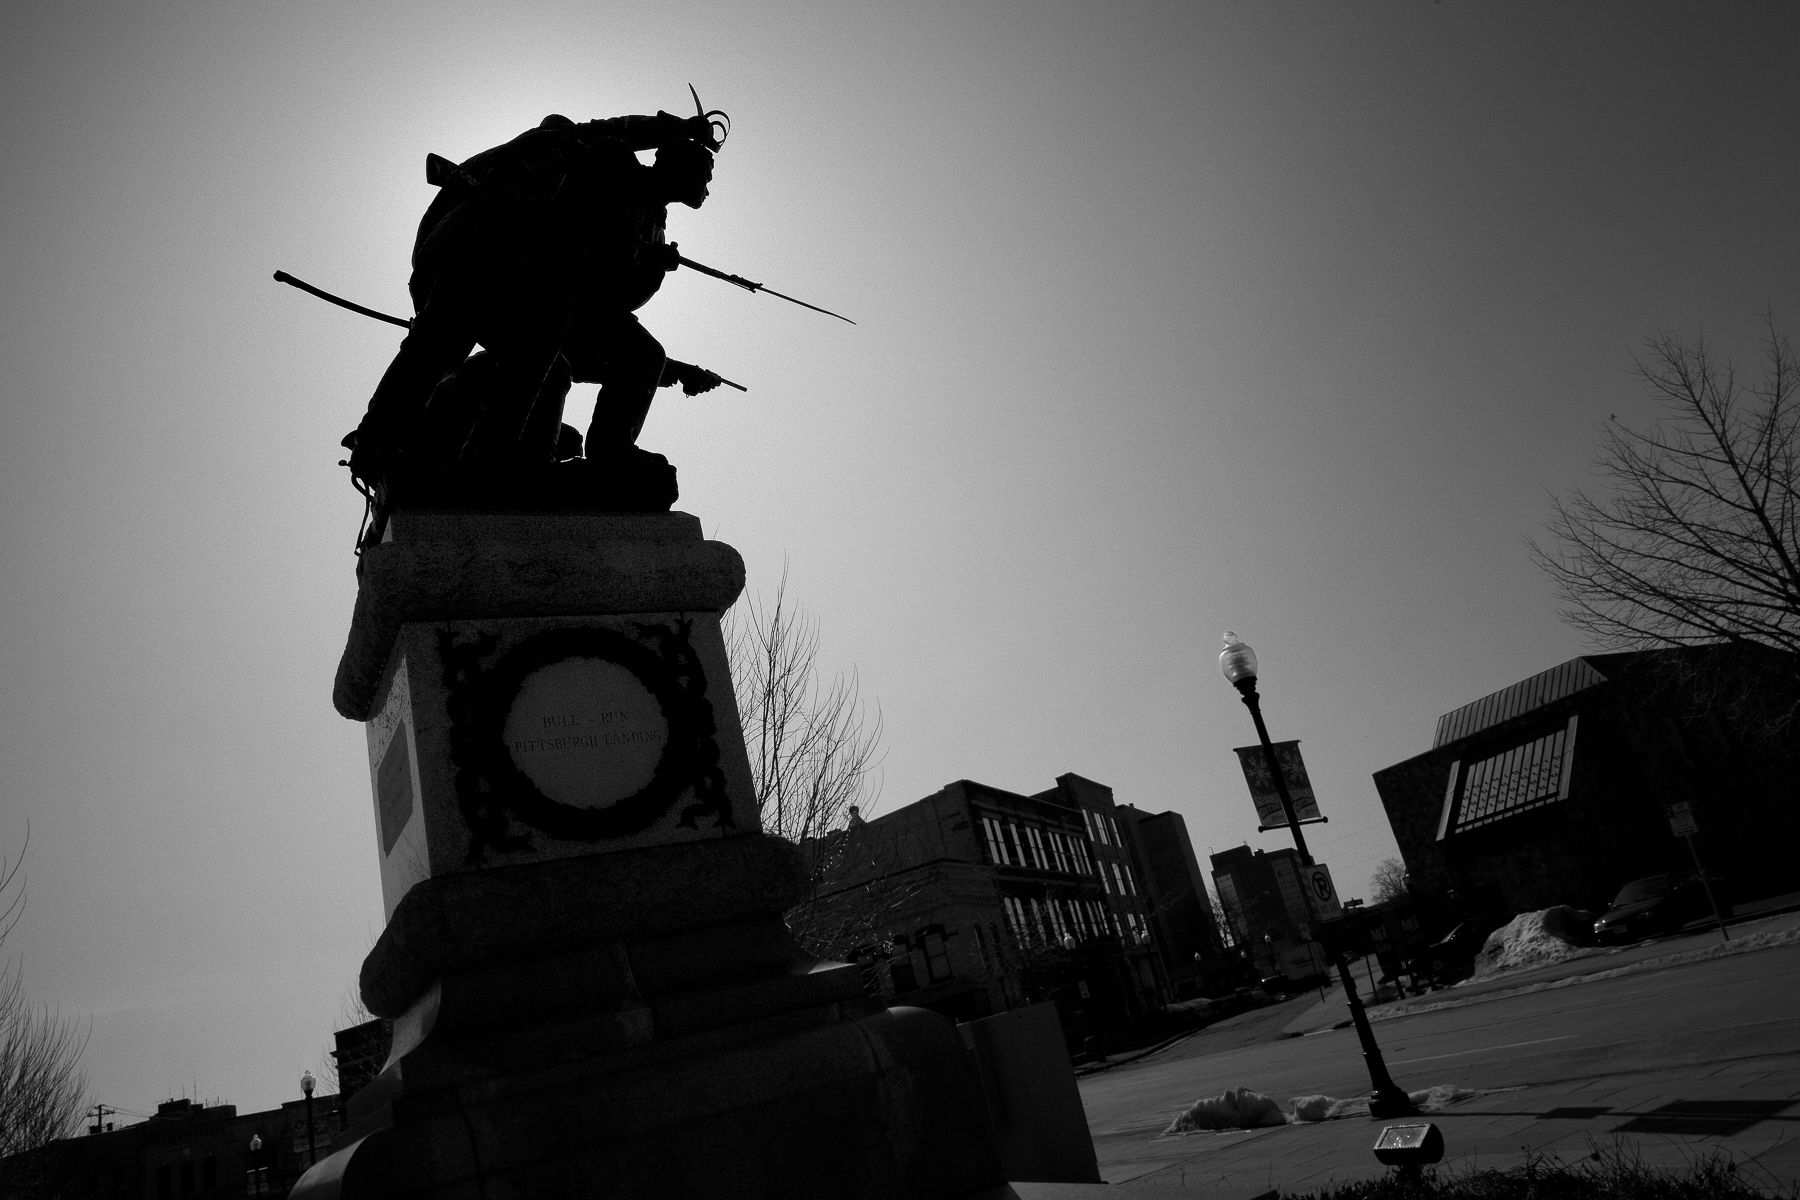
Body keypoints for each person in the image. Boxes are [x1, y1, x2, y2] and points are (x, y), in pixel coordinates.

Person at [344, 107, 724, 483]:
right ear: (677, 164)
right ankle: (384, 443)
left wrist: (649, 267)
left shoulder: (653, 224)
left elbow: (607, 301)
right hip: (486, 251)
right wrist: (675, 127)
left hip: (545, 286)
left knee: (630, 353)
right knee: (443, 344)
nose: (707, 188)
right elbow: (596, 137)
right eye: (704, 174)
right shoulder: (614, 161)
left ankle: (603, 454)